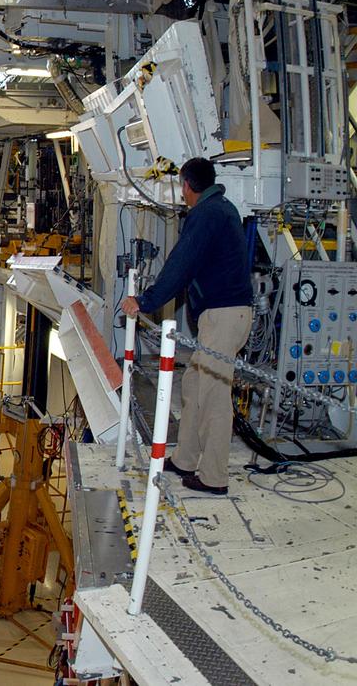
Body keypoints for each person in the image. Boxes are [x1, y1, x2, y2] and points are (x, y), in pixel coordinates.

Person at [120, 157, 252, 496]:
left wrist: (144, 301)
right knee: (194, 384)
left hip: (223, 317)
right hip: (226, 316)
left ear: (187, 186)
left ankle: (214, 477)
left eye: (181, 186)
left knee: (213, 397)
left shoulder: (206, 214)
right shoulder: (222, 209)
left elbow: (180, 265)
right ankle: (185, 458)